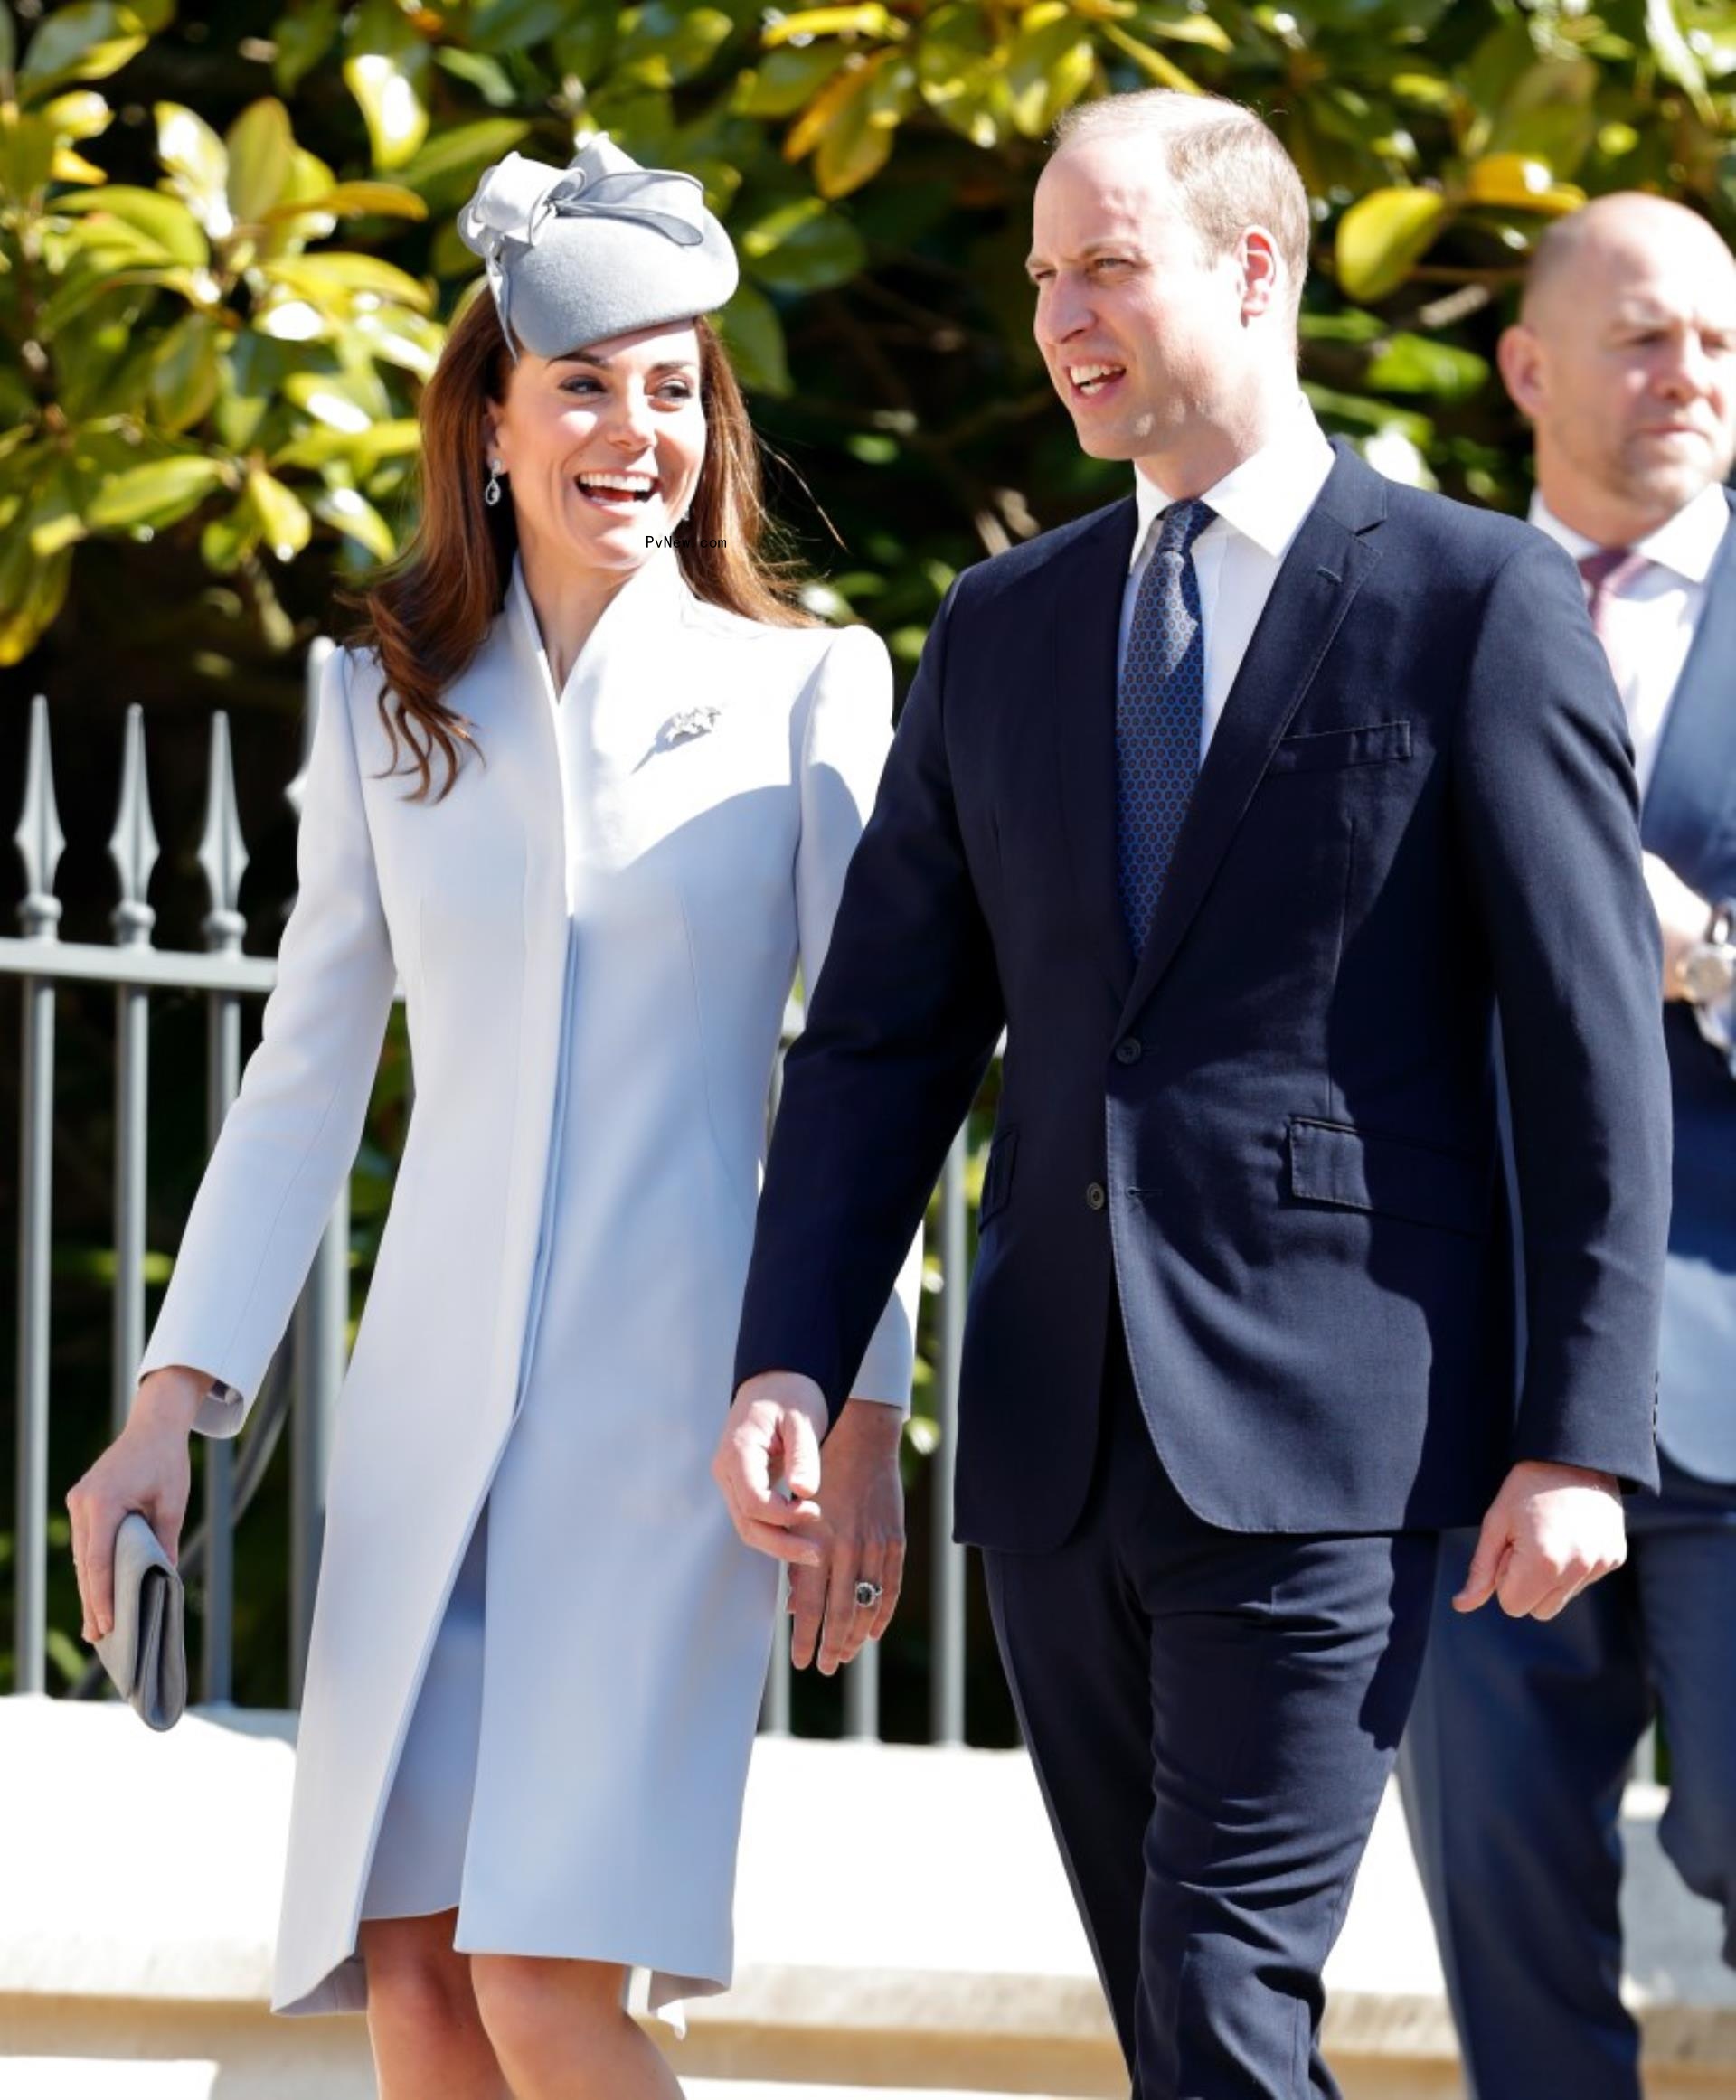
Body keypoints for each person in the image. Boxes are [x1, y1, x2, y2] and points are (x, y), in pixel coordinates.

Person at [711, 90, 1674, 2099]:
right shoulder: (1002, 628)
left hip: (1334, 1439)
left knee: (1228, 1991)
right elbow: (883, 1035)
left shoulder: (1472, 599)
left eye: (1107, 265)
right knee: (1175, 2027)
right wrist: (794, 1355)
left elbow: (1591, 1050)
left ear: (1252, 266)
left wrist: (1576, 1434)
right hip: (1061, 1454)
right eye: (1045, 274)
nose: (1062, 312)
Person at [65, 136, 920, 2100]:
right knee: (417, 1984)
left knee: (542, 1976)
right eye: (590, 384)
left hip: (679, 1423)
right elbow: (300, 1081)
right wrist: (172, 1401)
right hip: (421, 1430)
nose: (642, 430)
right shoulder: (382, 706)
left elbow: (864, 1081)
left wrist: (861, 1391)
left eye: (678, 385)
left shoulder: (811, 692)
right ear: (495, 424)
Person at [1398, 193, 1736, 2100]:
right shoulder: (1411, 612)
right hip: (1457, 1402)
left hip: (1730, 1388)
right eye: (1642, 336)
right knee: (1511, 1954)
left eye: (1717, 340)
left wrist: (1705, 961)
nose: (1689, 372)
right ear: (1527, 368)